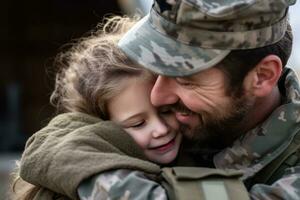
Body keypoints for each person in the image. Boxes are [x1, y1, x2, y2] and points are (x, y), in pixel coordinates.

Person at [15, 0, 300, 199]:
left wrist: (85, 169)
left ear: (262, 76)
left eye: (186, 79)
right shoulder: (175, 122)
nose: (157, 96)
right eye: (157, 70)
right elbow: (54, 140)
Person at [11, 16, 186, 200]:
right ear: (101, 124)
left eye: (166, 111)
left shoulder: (198, 139)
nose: (161, 129)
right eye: (138, 123)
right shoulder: (79, 163)